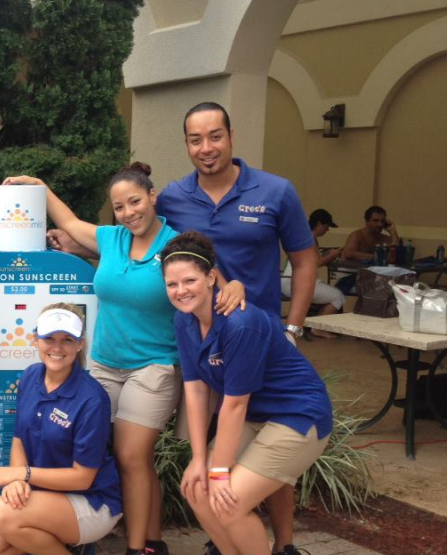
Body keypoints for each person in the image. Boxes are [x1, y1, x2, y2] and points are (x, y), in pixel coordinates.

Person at [50, 102, 318, 555]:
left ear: (232, 135)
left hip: (260, 337)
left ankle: (284, 545)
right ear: (186, 145)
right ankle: (223, 538)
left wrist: (293, 327)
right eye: (196, 139)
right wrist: (77, 247)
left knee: (265, 449)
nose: (206, 147)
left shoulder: (276, 192)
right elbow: (134, 241)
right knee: (221, 446)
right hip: (205, 344)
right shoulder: (173, 197)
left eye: (215, 136)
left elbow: (305, 258)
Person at [4, 167, 243, 555]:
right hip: (102, 364)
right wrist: (41, 186)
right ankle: (151, 541)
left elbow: (211, 276)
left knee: (133, 455)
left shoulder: (174, 245)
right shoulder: (110, 239)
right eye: (119, 206)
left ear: (152, 197)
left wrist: (235, 284)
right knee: (117, 455)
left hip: (154, 365)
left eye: (135, 201)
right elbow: (66, 220)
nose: (129, 212)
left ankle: (137, 549)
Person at [160, 232, 332, 555]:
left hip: (296, 416)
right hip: (254, 417)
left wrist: (219, 472)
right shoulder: (184, 320)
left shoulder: (240, 323)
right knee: (197, 489)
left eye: (189, 280)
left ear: (211, 277)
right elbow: (196, 392)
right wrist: (199, 461)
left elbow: (235, 405)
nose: (181, 291)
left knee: (228, 502)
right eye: (172, 284)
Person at [0, 304, 122, 555]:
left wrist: (23, 474)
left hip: (90, 501)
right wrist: (17, 479)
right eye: (49, 338)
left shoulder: (92, 398)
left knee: (0, 513)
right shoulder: (30, 376)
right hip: (42, 494)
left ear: (80, 344)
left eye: (67, 340)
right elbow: (19, 439)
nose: (57, 348)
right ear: (35, 339)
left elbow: (82, 478)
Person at [281, 209, 345, 338]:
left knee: (328, 293)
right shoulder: (309, 238)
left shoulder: (304, 236)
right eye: (326, 227)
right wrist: (332, 256)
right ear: (320, 224)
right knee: (338, 296)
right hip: (297, 283)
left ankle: (314, 323)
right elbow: (315, 264)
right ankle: (318, 329)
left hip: (285, 281)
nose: (327, 230)